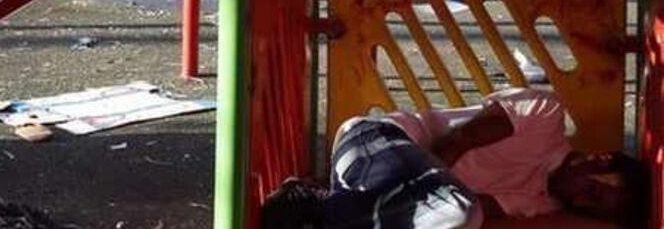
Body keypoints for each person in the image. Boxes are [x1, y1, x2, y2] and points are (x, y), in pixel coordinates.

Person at [263, 87, 648, 229]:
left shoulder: (539, 201)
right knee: (459, 210)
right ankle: (317, 204)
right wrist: (420, 203)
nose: (580, 201)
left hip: (371, 194)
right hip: (374, 143)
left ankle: (319, 210)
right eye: (594, 193)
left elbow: (474, 210)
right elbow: (457, 141)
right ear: (598, 161)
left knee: (460, 216)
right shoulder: (545, 116)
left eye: (590, 209)